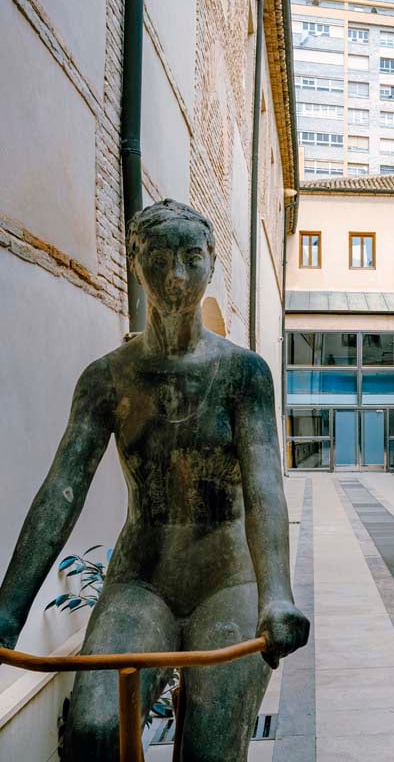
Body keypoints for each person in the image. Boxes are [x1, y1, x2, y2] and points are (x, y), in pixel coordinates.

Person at [0, 200, 309, 761]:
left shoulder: (243, 374)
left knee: (210, 750)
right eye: (160, 259)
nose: (176, 278)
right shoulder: (107, 379)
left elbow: (266, 486)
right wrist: (7, 611)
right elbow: (61, 493)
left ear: (211, 263)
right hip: (142, 581)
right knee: (95, 731)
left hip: (229, 580)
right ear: (135, 261)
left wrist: (277, 596)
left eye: (191, 259)